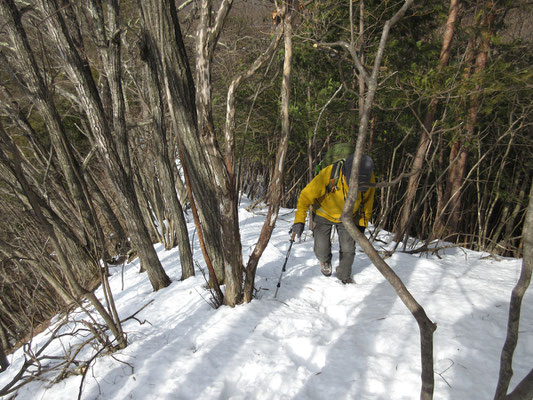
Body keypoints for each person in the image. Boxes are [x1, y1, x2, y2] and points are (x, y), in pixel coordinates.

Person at [290, 154, 375, 284]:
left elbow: (367, 202)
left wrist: (362, 223)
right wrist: (299, 220)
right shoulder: (329, 174)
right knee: (321, 248)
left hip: (348, 217)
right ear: (346, 173)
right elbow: (305, 196)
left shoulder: (368, 178)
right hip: (323, 213)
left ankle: (344, 275)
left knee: (348, 250)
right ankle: (325, 261)